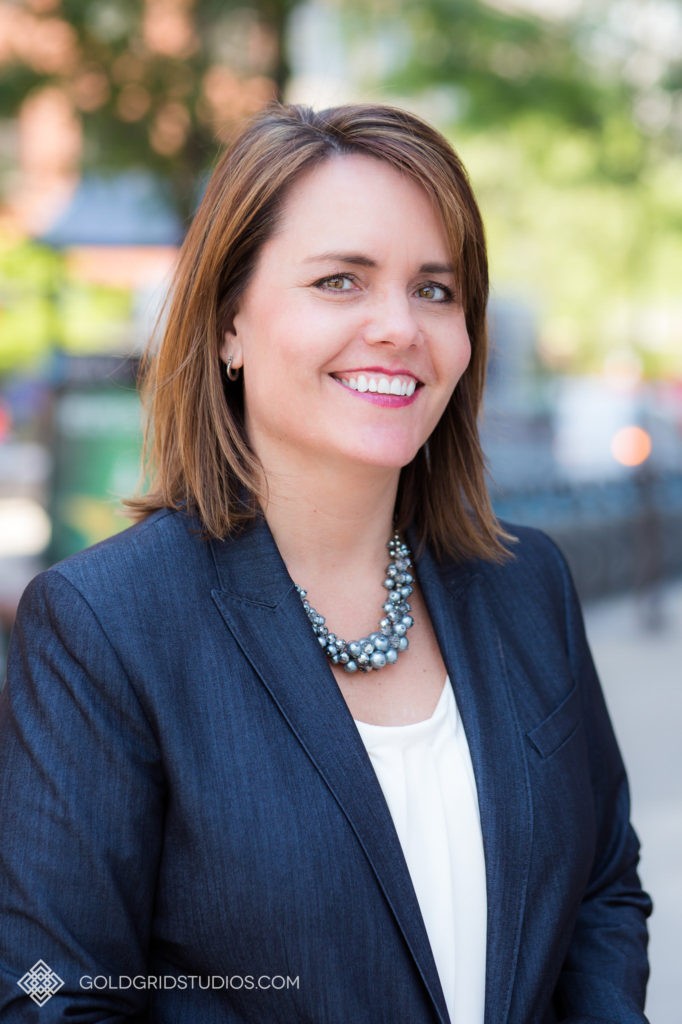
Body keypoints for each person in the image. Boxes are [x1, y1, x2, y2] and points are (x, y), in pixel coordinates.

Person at [0, 103, 651, 1023]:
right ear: (229, 323)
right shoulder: (105, 624)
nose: (399, 327)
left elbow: (601, 891)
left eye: (436, 289)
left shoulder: (525, 582)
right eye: (342, 280)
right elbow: (45, 992)